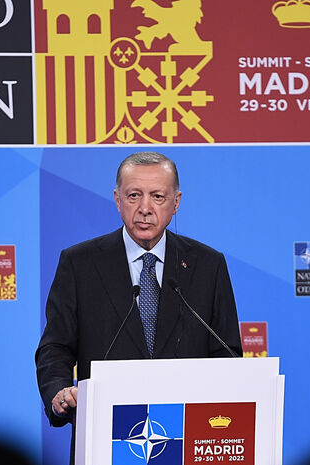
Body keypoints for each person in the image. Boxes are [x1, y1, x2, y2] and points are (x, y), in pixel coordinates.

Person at [35, 151, 242, 461]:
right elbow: (56, 347)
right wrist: (59, 391)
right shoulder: (79, 263)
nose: (145, 209)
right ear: (118, 199)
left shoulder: (207, 265)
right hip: (106, 437)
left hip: (187, 437)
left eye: (158, 196)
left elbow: (227, 354)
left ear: (176, 202)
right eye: (134, 196)